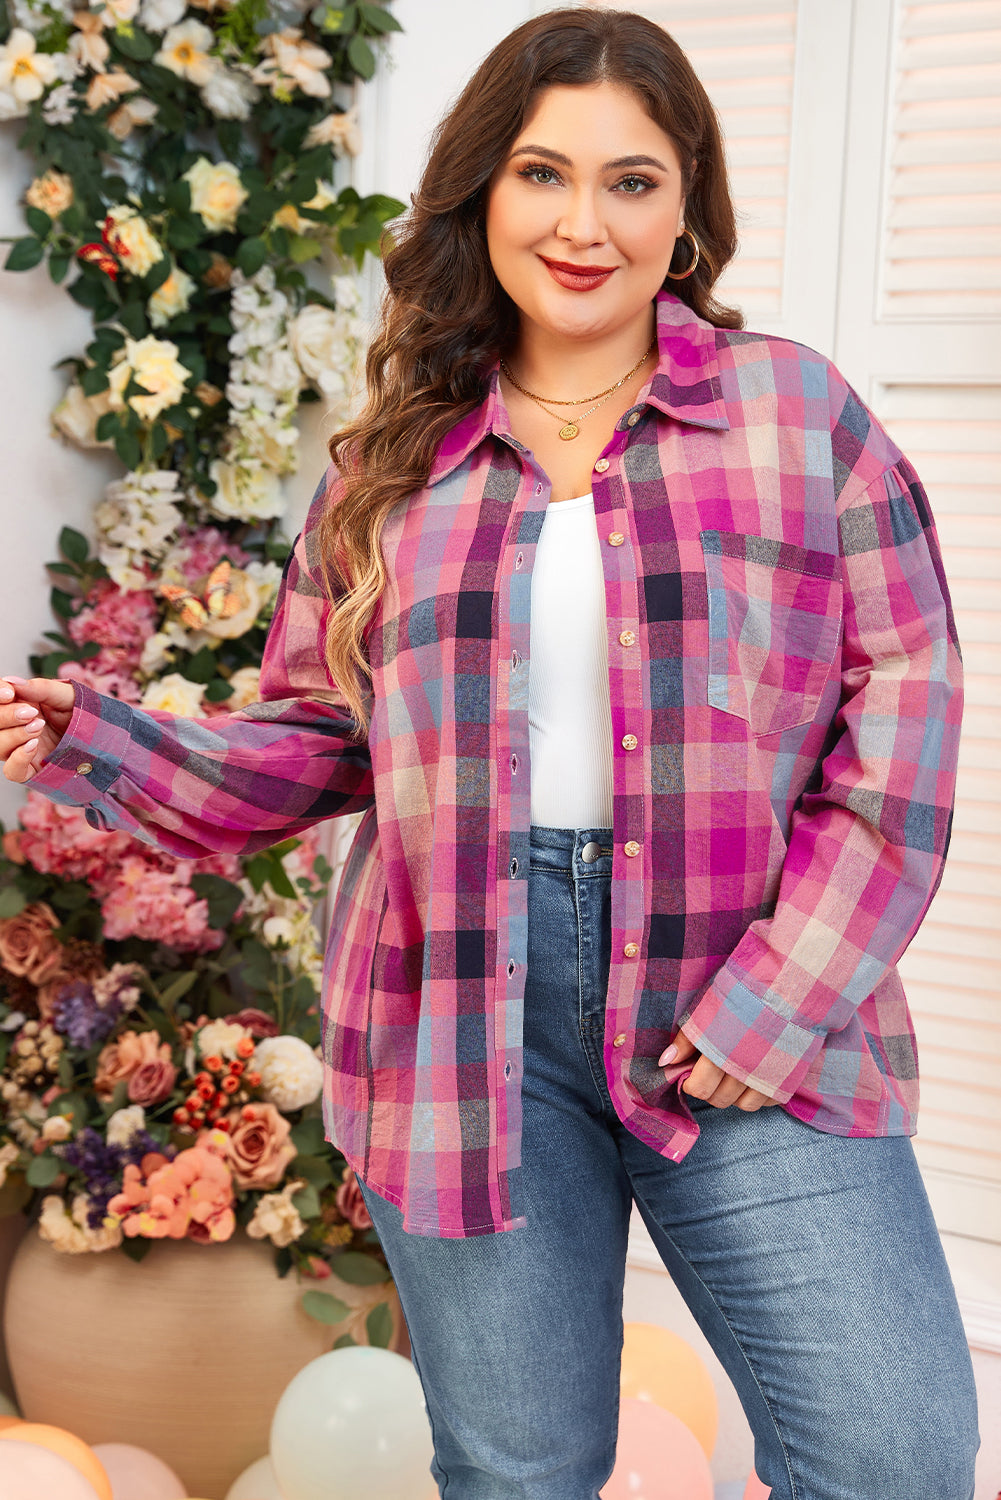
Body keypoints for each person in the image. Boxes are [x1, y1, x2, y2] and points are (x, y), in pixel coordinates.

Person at [0, 9, 981, 1498]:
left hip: (745, 994)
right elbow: (323, 741)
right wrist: (106, 738)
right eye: (542, 174)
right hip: (460, 1017)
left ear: (687, 204)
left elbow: (904, 695)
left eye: (632, 181)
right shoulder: (390, 465)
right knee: (516, 1474)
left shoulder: (796, 414)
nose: (583, 224)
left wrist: (776, 999)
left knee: (892, 1449)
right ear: (483, 194)